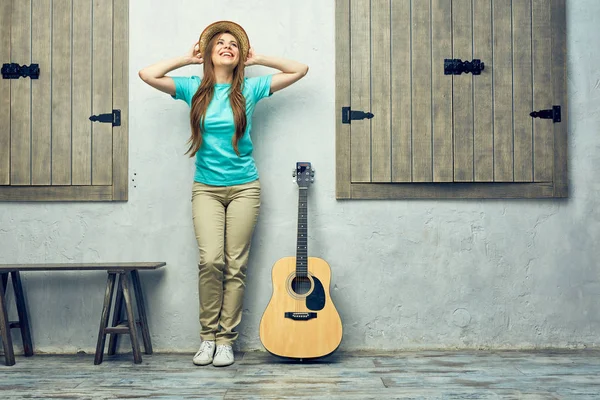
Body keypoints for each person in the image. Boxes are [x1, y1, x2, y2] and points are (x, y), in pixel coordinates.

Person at [138, 21, 308, 367]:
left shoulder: (251, 88)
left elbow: (300, 69)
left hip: (245, 186)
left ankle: (226, 341)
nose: (228, 46)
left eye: (234, 44)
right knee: (211, 261)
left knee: (236, 265)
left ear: (240, 55)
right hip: (207, 189)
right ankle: (207, 338)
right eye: (221, 43)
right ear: (210, 53)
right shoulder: (193, 89)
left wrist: (258, 57)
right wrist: (186, 60)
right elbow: (147, 74)